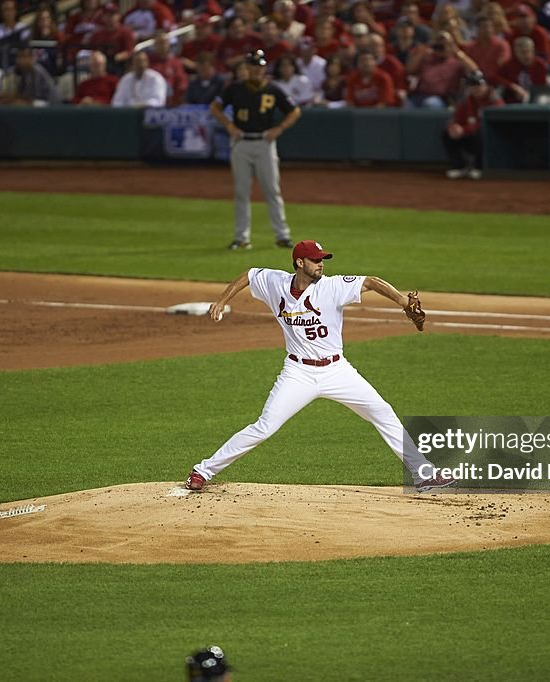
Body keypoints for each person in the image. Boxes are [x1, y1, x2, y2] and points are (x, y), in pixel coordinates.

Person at [185, 239, 456, 493]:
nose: (321, 264)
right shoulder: (276, 283)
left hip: (337, 371)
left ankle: (423, 473)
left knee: (382, 412)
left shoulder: (332, 286)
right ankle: (203, 471)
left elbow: (371, 282)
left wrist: (401, 300)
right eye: (315, 260)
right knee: (264, 426)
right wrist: (222, 300)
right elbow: (249, 274)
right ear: (300, 263)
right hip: (298, 373)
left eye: (323, 259)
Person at [209, 50, 300, 250]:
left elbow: (294, 110)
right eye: (253, 66)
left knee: (272, 191)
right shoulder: (235, 88)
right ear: (246, 68)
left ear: (264, 68)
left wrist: (280, 128)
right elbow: (214, 107)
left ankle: (282, 236)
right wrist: (229, 126)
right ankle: (241, 238)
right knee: (242, 192)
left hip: (264, 142)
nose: (256, 69)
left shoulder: (273, 89)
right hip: (241, 142)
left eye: (259, 66)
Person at [443, 70, 502, 179]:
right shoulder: (467, 100)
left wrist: (464, 130)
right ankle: (459, 166)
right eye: (472, 85)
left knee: (478, 133)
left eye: (478, 85)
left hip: (494, 139)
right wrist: (453, 127)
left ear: (485, 84)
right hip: (470, 133)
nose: (476, 88)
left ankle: (479, 167)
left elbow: (487, 124)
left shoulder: (493, 98)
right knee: (447, 132)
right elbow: (456, 116)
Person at [496, 34, 549, 103]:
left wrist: (528, 95)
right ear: (515, 53)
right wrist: (513, 87)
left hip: (536, 101)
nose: (526, 55)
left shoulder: (540, 65)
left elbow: (543, 88)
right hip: (514, 103)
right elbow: (494, 78)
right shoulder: (509, 65)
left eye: (529, 51)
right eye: (522, 52)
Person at [463, 13, 510, 81]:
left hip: (497, 82)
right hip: (476, 82)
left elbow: (503, 66)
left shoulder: (502, 45)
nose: (488, 29)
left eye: (490, 26)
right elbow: (467, 69)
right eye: (484, 26)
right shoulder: (470, 47)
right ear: (477, 29)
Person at [148, 29, 188, 105]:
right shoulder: (148, 62)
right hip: (152, 104)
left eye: (164, 42)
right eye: (159, 43)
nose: (162, 45)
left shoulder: (176, 63)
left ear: (169, 44)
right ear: (155, 45)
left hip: (172, 104)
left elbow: (182, 83)